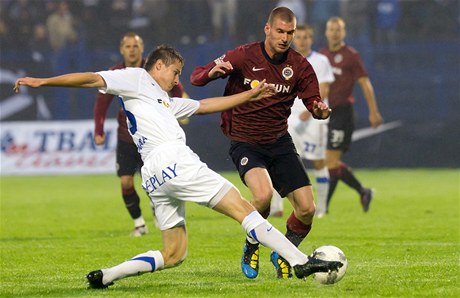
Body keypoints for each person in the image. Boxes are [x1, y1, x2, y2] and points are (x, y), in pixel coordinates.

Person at [14, 45, 342, 289]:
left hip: (155, 176)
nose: (176, 79)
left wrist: (247, 99)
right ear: (159, 65)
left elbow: (204, 105)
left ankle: (108, 276)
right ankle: (299, 261)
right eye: (175, 72)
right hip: (174, 159)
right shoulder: (137, 78)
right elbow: (91, 78)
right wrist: (44, 82)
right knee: (246, 208)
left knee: (174, 254)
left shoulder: (162, 100)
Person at [190, 7, 332, 279]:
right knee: (263, 196)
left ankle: (285, 250)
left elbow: (313, 100)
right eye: (280, 31)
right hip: (245, 141)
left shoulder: (299, 65)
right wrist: (212, 73)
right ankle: (252, 243)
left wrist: (320, 110)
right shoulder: (244, 55)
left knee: (306, 209)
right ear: (267, 29)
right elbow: (196, 76)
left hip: (279, 141)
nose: (285, 38)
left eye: (290, 33)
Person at [93, 32, 187, 237]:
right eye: (127, 46)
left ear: (142, 48)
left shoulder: (153, 69)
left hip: (152, 140)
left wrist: (175, 109)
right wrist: (98, 130)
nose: (132, 50)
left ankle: (159, 210)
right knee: (126, 182)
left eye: (135, 46)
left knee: (155, 182)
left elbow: (177, 89)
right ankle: (139, 224)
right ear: (121, 50)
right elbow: (102, 103)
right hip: (126, 138)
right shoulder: (116, 72)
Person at [319, 17, 383, 213]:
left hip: (342, 113)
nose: (335, 33)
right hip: (325, 114)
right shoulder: (321, 56)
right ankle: (363, 191)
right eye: (331, 29)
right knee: (330, 163)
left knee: (330, 161)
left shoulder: (351, 55)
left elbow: (365, 83)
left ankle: (323, 207)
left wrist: (373, 111)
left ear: (344, 33)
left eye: (338, 30)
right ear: (326, 32)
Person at [270, 24, 335, 219]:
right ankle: (276, 206)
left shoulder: (321, 60)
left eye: (306, 37)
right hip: (288, 118)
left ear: (311, 39)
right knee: (279, 160)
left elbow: (324, 87)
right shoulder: (284, 60)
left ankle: (322, 207)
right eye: (298, 37)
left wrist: (313, 107)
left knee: (317, 161)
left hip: (314, 120)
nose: (302, 40)